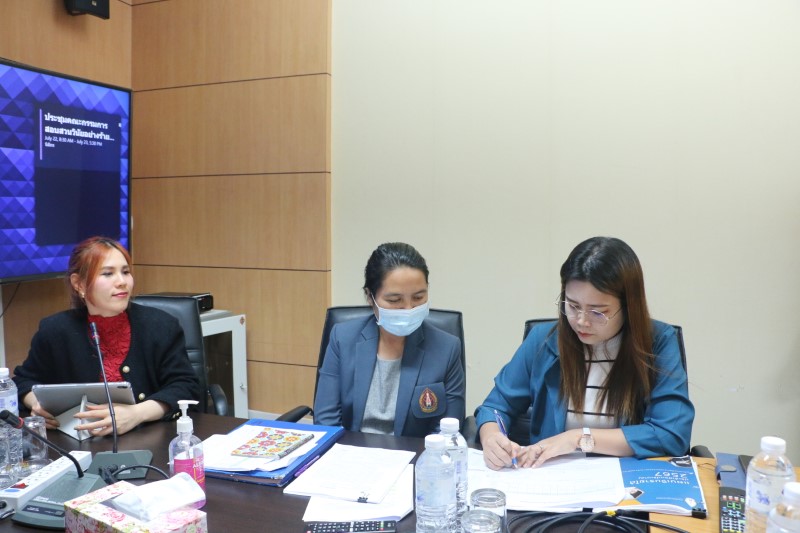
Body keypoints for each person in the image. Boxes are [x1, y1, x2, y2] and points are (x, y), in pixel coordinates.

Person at [476, 236, 694, 469]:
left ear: (629, 307)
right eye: (573, 306)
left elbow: (670, 434)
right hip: (552, 477)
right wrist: (491, 437)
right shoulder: (544, 340)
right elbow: (495, 407)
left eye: (597, 312)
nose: (581, 321)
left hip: (626, 480)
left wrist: (579, 438)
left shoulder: (657, 343)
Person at [13, 237, 202, 436]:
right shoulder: (55, 330)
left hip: (151, 437)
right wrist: (37, 404)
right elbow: (23, 381)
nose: (122, 282)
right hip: (78, 440)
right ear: (79, 284)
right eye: (108, 273)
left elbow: (185, 386)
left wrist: (137, 414)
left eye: (125, 272)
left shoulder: (161, 325)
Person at [313, 242, 465, 438]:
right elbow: (326, 420)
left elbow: (446, 431)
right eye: (395, 300)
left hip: (416, 454)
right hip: (351, 451)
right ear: (370, 297)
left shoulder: (447, 348)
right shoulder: (342, 339)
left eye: (418, 297)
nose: (408, 308)